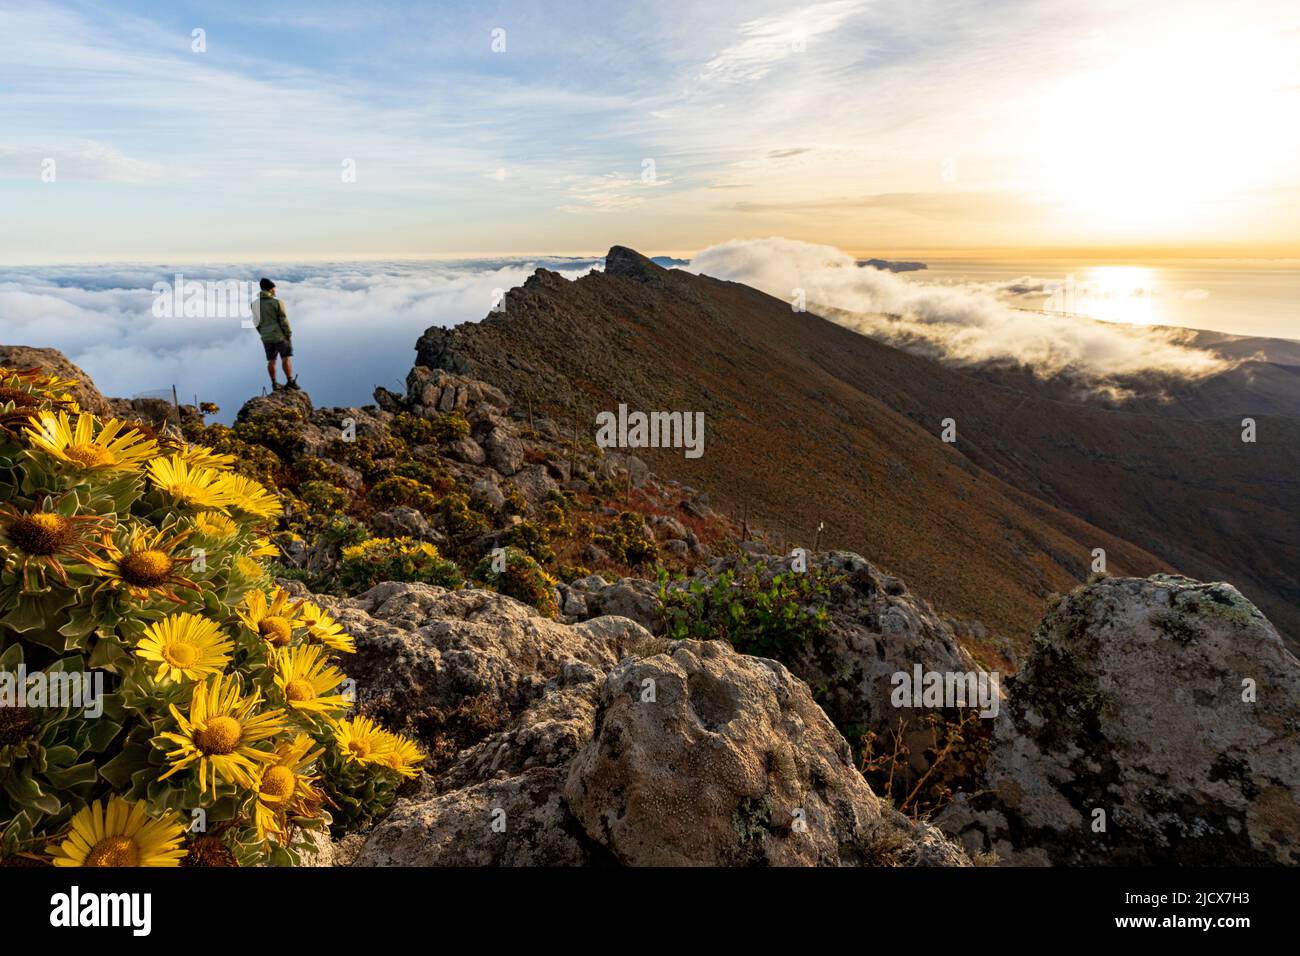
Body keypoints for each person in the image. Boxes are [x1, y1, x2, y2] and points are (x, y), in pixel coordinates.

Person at [252, 277, 298, 391]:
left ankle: (274, 384)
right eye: (274, 288)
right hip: (279, 336)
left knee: (271, 360)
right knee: (286, 358)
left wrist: (263, 333)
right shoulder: (277, 302)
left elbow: (256, 322)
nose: (275, 290)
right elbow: (284, 320)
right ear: (270, 289)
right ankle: (290, 381)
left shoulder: (254, 304)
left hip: (266, 337)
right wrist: (288, 334)